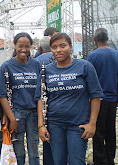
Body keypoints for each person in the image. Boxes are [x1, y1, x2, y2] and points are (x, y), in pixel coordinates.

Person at [35, 33, 103, 165]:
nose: (58, 50)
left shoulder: (85, 66)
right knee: (58, 162)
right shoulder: (46, 71)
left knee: (76, 162)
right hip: (55, 125)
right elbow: (40, 99)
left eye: (62, 46)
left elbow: (95, 96)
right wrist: (41, 125)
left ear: (71, 47)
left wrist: (92, 123)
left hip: (78, 125)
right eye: (54, 47)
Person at [0, 32, 41, 165]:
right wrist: (12, 118)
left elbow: (41, 92)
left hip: (33, 113)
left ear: (31, 46)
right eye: (20, 46)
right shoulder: (6, 66)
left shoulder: (36, 64)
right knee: (18, 151)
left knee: (34, 151)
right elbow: (2, 95)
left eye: (27, 46)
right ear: (15, 45)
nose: (24, 49)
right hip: (16, 112)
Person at [87, 28, 118, 165]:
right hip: (113, 98)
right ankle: (110, 158)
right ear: (107, 38)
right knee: (111, 129)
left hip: (98, 99)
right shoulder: (116, 54)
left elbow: (89, 79)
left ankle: (100, 161)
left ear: (95, 40)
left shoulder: (92, 56)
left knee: (98, 131)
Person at [35, 36, 54, 165]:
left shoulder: (36, 61)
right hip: (58, 108)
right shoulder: (58, 58)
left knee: (47, 141)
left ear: (40, 49)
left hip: (44, 108)